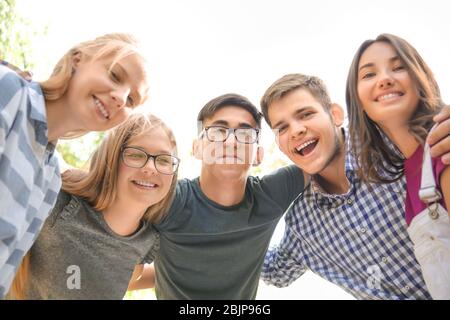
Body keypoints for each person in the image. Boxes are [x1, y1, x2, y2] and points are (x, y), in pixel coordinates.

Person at [259, 73, 450, 299]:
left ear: (335, 114)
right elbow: (274, 272)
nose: (295, 130)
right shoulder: (302, 223)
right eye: (282, 128)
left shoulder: (393, 144)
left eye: (306, 114)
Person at [0, 32, 149, 297]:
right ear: (77, 59)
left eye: (131, 101)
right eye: (115, 75)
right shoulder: (9, 92)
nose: (120, 97)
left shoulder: (49, 179)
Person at [8, 113, 179, 299]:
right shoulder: (59, 201)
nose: (151, 167)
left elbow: (115, 279)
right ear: (112, 158)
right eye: (136, 155)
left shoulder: (147, 240)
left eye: (163, 160)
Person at [152, 93, 305, 299]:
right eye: (218, 131)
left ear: (258, 154)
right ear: (196, 148)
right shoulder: (169, 201)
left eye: (245, 134)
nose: (231, 141)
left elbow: (331, 154)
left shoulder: (271, 196)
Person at [346, 33, 450, 299]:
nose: (384, 79)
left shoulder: (443, 146)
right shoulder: (409, 170)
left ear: (420, 77)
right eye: (369, 74)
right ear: (357, 100)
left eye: (398, 67)